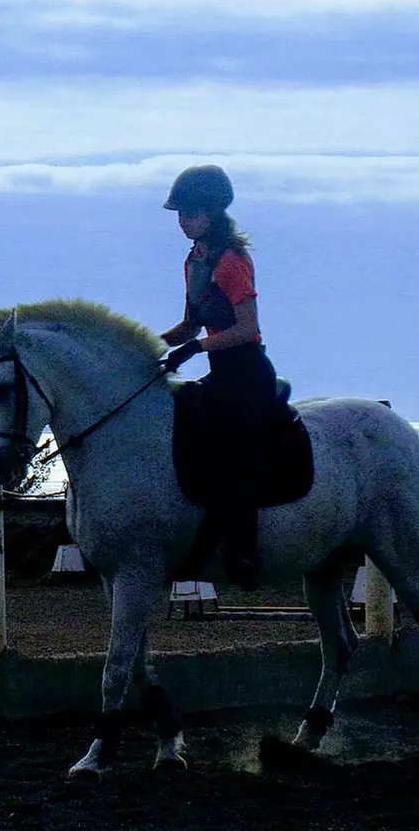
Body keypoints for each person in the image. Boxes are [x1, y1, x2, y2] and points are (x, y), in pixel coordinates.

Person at [157, 164, 277, 590]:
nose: (180, 220)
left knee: (234, 450)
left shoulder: (231, 261)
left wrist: (194, 349)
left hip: (247, 372)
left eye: (187, 212)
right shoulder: (194, 261)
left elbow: (247, 328)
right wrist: (150, 346)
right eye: (178, 213)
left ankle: (243, 548)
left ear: (210, 212)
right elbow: (190, 325)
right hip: (217, 371)